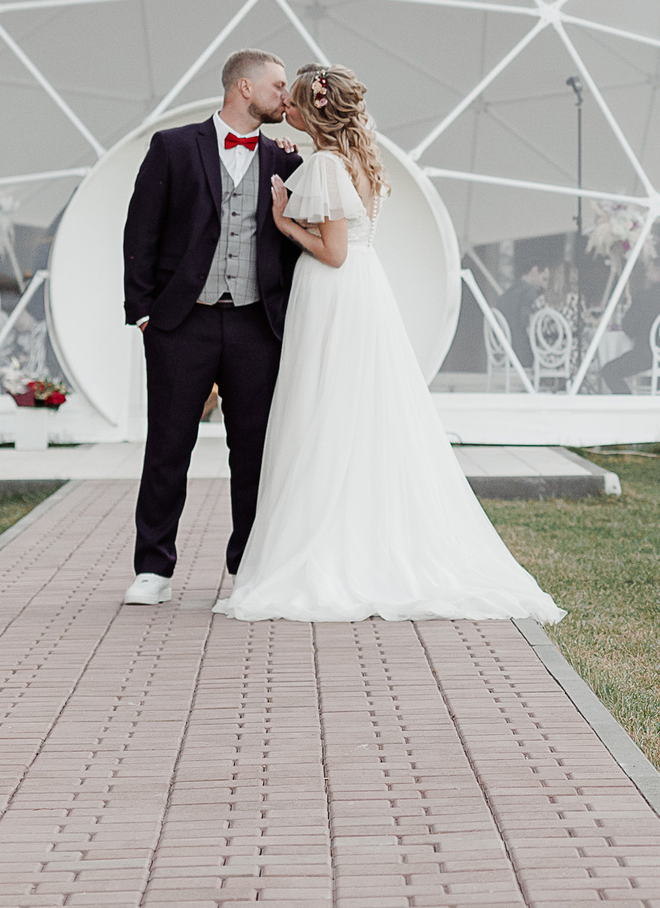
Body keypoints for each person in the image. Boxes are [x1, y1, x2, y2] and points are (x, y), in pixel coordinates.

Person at [218, 64, 563, 623]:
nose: (288, 109)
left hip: (333, 291)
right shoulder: (358, 158)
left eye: (296, 103)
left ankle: (326, 547)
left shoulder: (326, 164)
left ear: (315, 111)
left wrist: (284, 223)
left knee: (322, 411)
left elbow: (333, 253)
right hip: (364, 290)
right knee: (355, 414)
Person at [119, 49, 302, 606]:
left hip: (256, 325)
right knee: (168, 447)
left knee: (253, 452)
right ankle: (153, 569)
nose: (286, 96)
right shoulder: (173, 147)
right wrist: (143, 313)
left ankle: (247, 566)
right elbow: (140, 230)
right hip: (182, 322)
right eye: (277, 86)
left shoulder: (286, 159)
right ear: (244, 87)